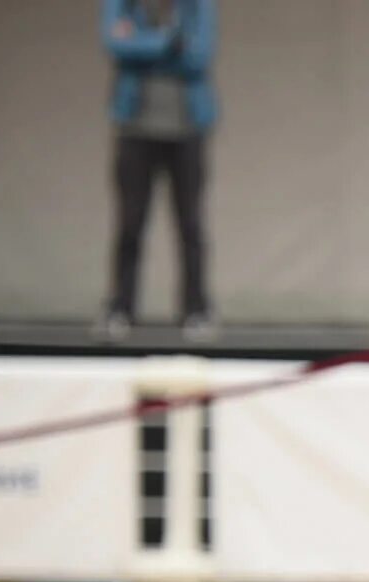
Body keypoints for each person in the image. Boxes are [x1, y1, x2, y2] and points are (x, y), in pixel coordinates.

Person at [95, 0, 219, 344]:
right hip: (136, 129)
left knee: (190, 225)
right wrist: (169, 43)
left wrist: (141, 46)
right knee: (130, 223)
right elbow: (115, 44)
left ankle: (196, 310)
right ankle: (120, 309)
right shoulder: (122, 4)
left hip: (186, 129)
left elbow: (200, 53)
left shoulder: (198, 5)